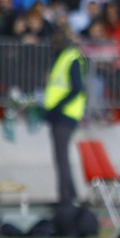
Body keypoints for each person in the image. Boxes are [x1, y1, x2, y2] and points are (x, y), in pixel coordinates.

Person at [42, 27, 88, 209]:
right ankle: (71, 194)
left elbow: (77, 88)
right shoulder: (63, 58)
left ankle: (66, 198)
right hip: (60, 114)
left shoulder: (71, 58)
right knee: (61, 157)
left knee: (61, 158)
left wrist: (57, 107)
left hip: (65, 114)